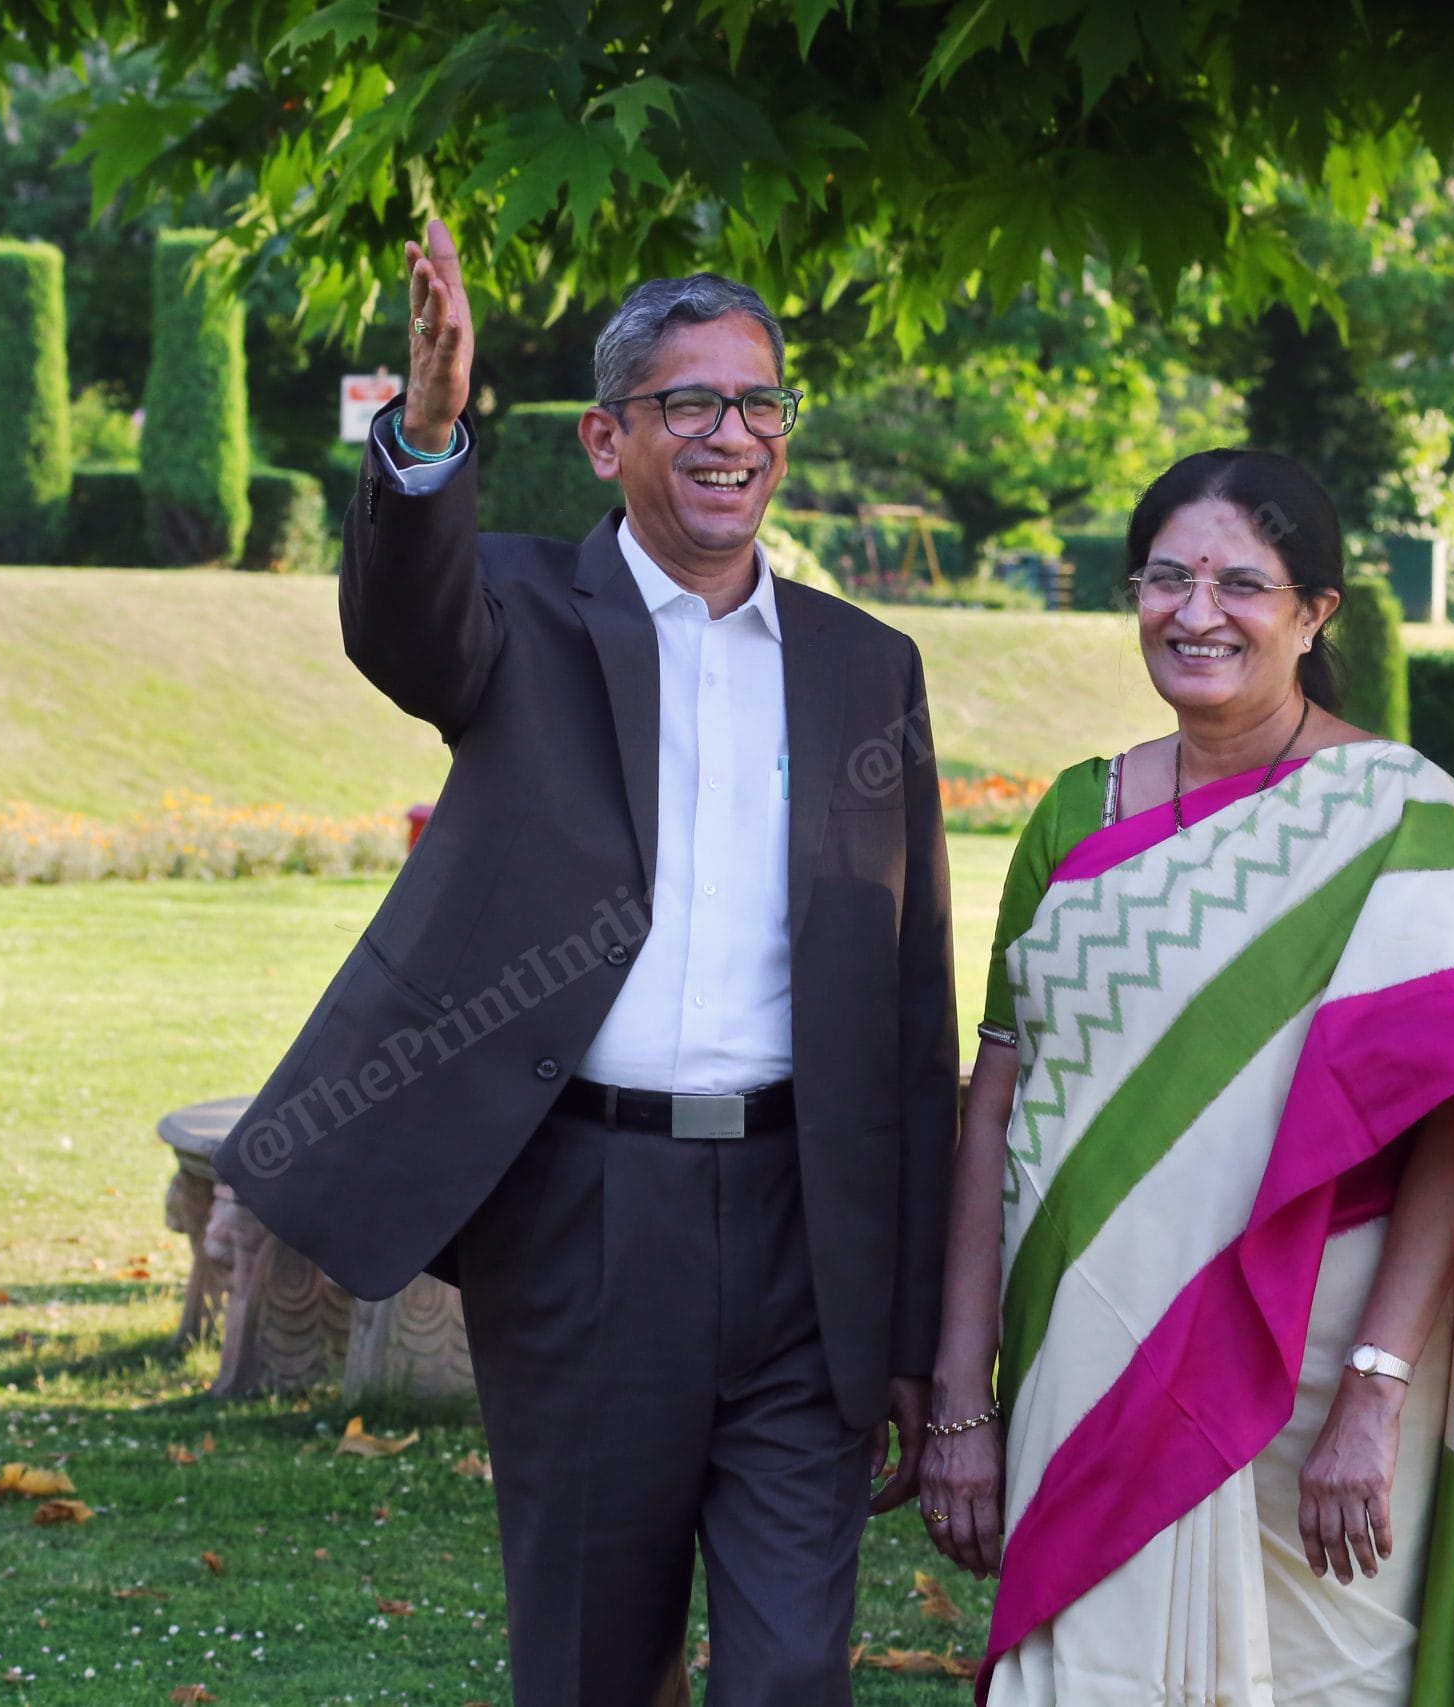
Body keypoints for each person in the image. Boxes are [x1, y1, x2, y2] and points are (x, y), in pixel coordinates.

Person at [213, 221, 958, 1707]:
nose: (731, 435)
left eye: (760, 404)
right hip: (587, 1217)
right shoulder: (522, 613)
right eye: (692, 404)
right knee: (590, 1661)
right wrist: (424, 429)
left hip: (809, 1226)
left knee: (792, 1669)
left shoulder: (866, 665)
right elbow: (404, 626)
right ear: (607, 434)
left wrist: (911, 1315)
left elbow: (909, 990)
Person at [916, 450, 1454, 1704]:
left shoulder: (1406, 826)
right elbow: (995, 1104)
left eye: (1240, 583)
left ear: (1314, 614)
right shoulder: (1073, 818)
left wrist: (1374, 1386)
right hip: (1086, 1353)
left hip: (1316, 1381)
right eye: (1165, 578)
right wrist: (958, 1396)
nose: (1196, 613)